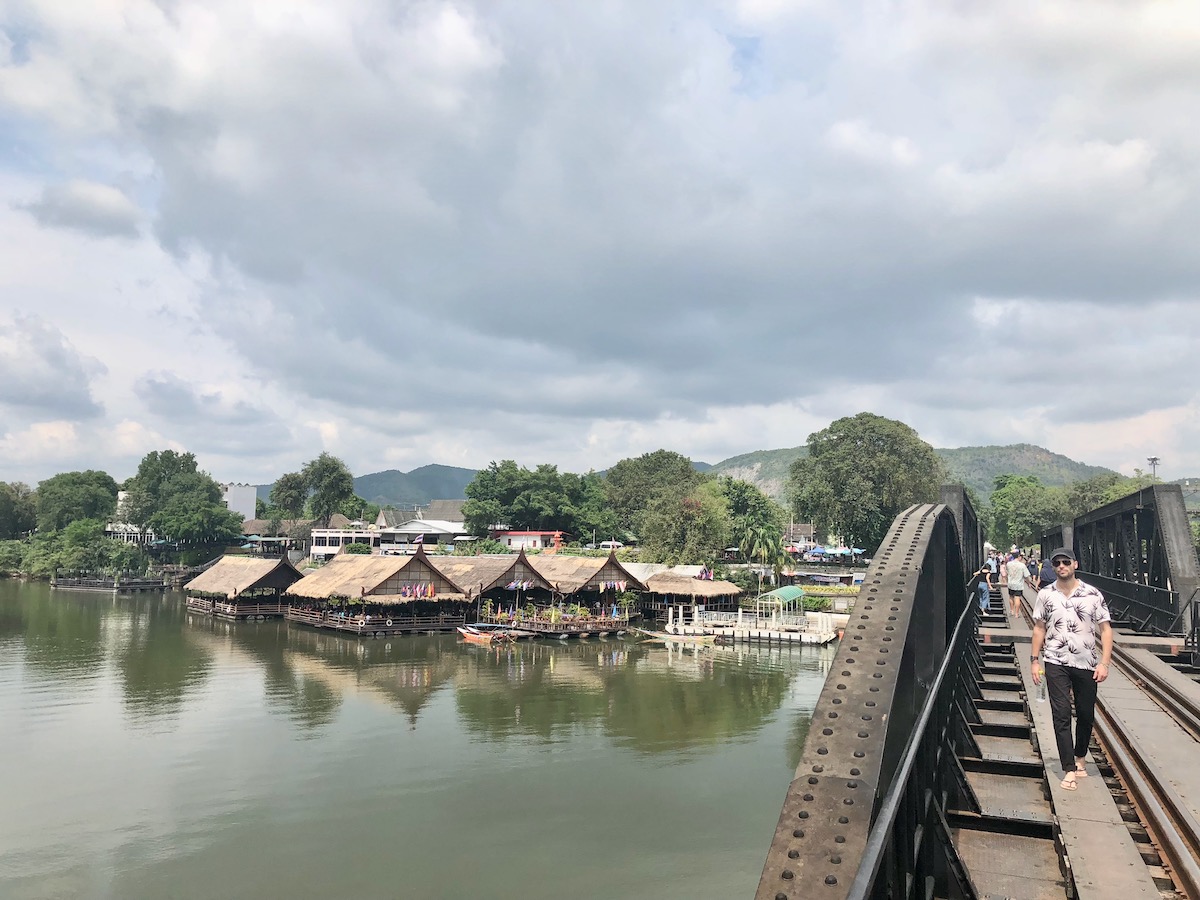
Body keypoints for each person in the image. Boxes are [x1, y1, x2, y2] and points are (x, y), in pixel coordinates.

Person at [1030, 548, 1112, 791]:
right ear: (1053, 567)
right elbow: (1038, 628)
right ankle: (1069, 769)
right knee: (1061, 714)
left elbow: (1105, 630)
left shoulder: (1092, 594)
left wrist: (1105, 663)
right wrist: (1035, 660)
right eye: (1057, 563)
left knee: (1086, 714)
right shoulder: (1046, 594)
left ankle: (1080, 757)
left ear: (1075, 564)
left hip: (1087, 662)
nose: (1062, 566)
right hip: (1055, 661)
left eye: (1066, 562)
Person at [1004, 552, 1030, 616]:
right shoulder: (1022, 565)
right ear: (1019, 557)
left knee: (1011, 597)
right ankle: (1016, 613)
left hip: (1010, 583)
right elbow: (1026, 576)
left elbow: (1007, 572)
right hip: (1018, 584)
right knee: (1017, 598)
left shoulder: (1009, 564)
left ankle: (1012, 610)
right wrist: (1028, 583)